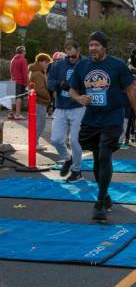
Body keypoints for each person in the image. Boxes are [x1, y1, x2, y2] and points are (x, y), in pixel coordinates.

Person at [69, 31, 136, 221]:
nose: (93, 48)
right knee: (97, 160)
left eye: (97, 45)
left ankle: (100, 202)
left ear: (104, 47)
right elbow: (72, 88)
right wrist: (79, 98)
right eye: (91, 45)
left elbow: (130, 91)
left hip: (112, 117)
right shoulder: (83, 65)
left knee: (104, 154)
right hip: (91, 118)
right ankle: (106, 194)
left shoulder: (117, 65)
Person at [48, 40, 86, 182]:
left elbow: (93, 84)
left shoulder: (86, 64)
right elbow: (50, 83)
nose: (70, 59)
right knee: (56, 140)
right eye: (68, 56)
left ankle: (77, 171)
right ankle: (67, 158)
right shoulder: (58, 65)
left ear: (78, 50)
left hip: (78, 107)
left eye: (73, 56)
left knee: (75, 141)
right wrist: (59, 84)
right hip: (61, 107)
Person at [28, 53, 52, 148]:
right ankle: (34, 143)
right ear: (41, 62)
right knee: (40, 123)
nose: (47, 65)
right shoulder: (38, 73)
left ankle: (34, 143)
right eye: (46, 62)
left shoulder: (35, 71)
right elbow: (40, 89)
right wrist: (48, 98)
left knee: (37, 123)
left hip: (36, 100)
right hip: (39, 101)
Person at [9, 45, 28, 120]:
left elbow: (10, 71)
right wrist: (26, 82)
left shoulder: (13, 59)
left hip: (12, 80)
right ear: (23, 52)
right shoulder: (23, 60)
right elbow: (24, 72)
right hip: (19, 81)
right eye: (25, 51)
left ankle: (10, 114)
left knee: (12, 98)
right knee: (19, 97)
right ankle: (17, 114)